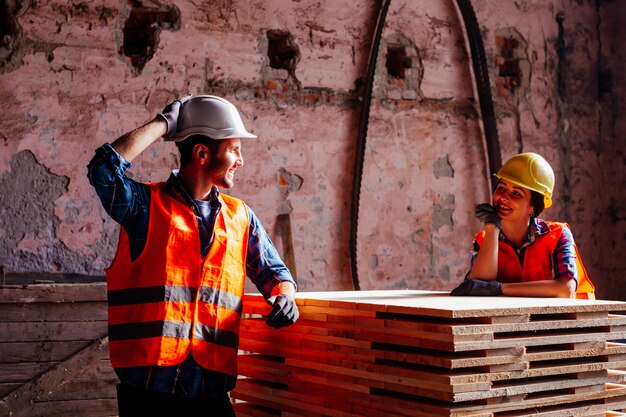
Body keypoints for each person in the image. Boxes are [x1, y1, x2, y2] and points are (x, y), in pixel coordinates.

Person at [87, 94, 299, 416]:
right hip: (148, 393)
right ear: (201, 153)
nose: (240, 160)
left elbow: (276, 273)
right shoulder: (144, 206)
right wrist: (163, 124)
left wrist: (285, 296)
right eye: (233, 150)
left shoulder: (240, 216)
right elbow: (103, 170)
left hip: (211, 392)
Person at [450, 152, 595, 299]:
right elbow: (479, 288)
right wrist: (492, 228)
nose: (504, 197)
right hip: (519, 320)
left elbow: (565, 289)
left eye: (516, 193)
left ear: (533, 207)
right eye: (501, 188)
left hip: (570, 319)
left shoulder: (558, 235)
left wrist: (499, 289)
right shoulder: (484, 240)